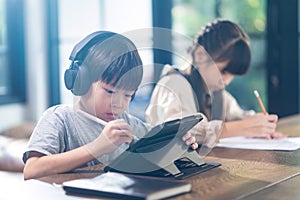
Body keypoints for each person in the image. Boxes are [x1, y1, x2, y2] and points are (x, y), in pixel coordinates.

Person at [22, 31, 197, 180]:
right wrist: (97, 147)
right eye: (110, 92)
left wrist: (177, 141)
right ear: (80, 80)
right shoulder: (59, 118)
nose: (119, 104)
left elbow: (155, 141)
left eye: (128, 95)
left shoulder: (125, 122)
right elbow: (32, 169)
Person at [145, 19, 285, 149]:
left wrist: (261, 127)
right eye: (223, 71)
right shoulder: (173, 83)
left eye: (232, 75)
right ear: (200, 56)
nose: (226, 80)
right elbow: (180, 130)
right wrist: (242, 127)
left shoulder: (214, 92)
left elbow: (238, 116)